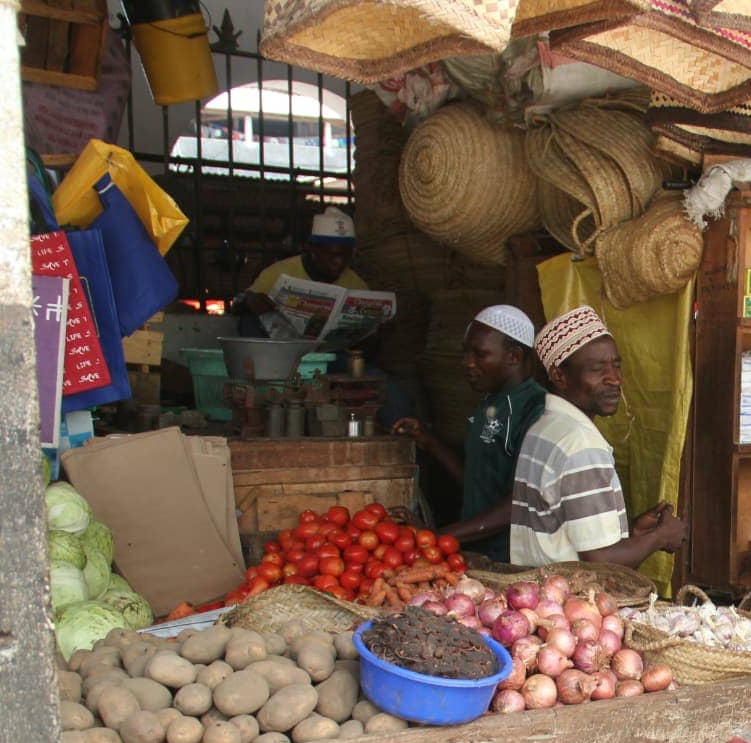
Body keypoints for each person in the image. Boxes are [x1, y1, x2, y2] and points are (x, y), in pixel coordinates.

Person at [510, 305, 686, 567]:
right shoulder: (580, 444)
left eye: (616, 366)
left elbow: (567, 533)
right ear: (559, 376)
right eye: (597, 369)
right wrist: (661, 537)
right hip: (569, 601)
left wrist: (635, 533)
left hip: (541, 596)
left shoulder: (544, 428)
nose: (615, 379)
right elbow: (600, 564)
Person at [390, 305, 545, 563]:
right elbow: (478, 481)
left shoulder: (535, 410)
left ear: (514, 357)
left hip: (513, 561)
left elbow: (519, 504)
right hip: (478, 552)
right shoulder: (491, 402)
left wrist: (437, 535)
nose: (467, 363)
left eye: (480, 354)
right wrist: (430, 442)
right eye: (466, 352)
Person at [229, 207, 367, 331]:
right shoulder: (279, 273)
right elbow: (237, 304)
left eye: (346, 256)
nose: (340, 262)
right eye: (332, 255)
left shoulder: (356, 285)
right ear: (312, 250)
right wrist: (250, 300)